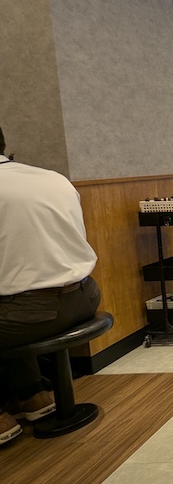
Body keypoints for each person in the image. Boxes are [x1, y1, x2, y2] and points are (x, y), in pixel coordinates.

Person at [0, 126, 101, 444]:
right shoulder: (51, 178)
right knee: (11, 298)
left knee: (14, 306)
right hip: (86, 295)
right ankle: (33, 395)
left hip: (33, 313)